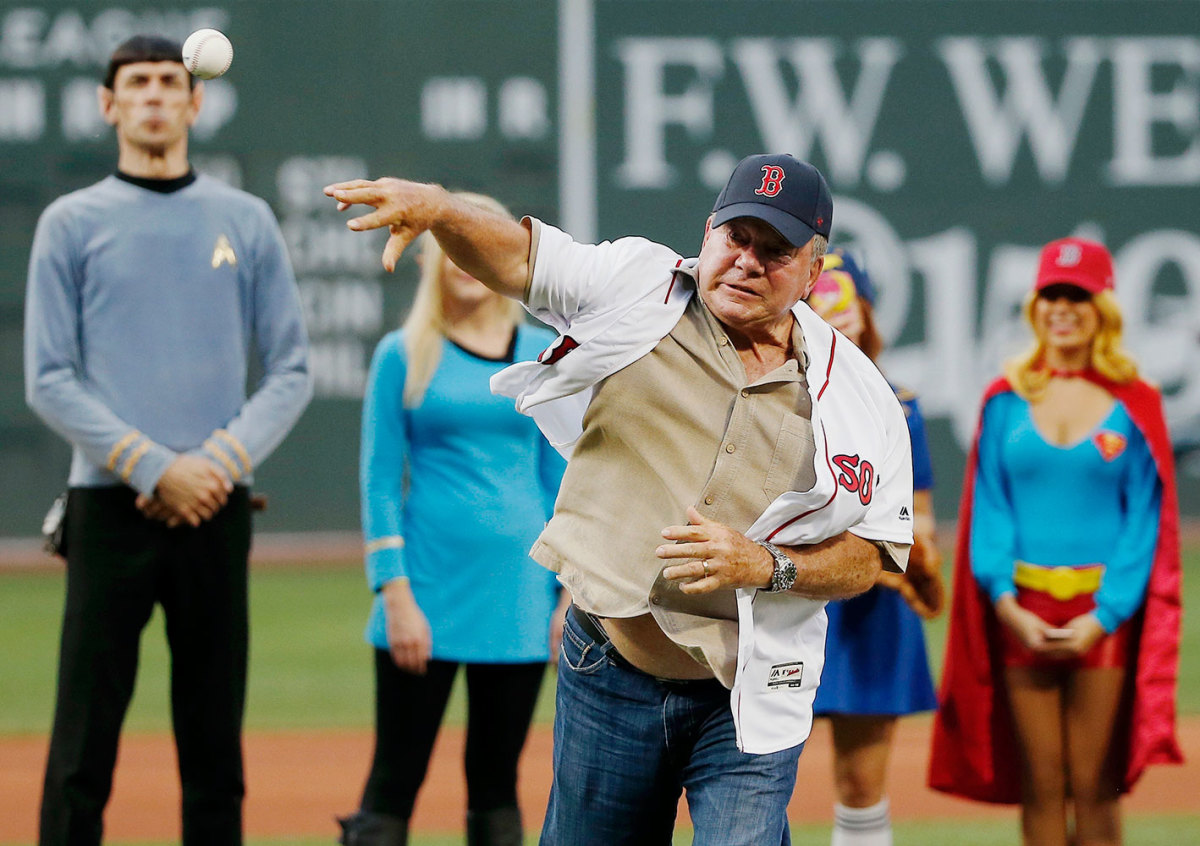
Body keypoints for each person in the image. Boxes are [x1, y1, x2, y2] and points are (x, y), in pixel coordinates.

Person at [325, 153, 915, 846]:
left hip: (747, 693)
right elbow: (520, 260)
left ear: (815, 270)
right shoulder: (639, 286)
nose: (748, 261)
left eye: (776, 249)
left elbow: (871, 555)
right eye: (737, 237)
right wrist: (441, 208)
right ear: (708, 234)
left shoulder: (857, 396)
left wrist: (767, 565)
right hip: (610, 668)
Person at [23, 35, 311, 845]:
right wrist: (154, 467)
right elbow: (47, 376)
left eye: (168, 82)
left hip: (216, 509)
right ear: (110, 106)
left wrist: (215, 465)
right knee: (83, 741)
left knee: (214, 744)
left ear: (195, 101)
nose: (153, 95)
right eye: (136, 83)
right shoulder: (71, 222)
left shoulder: (244, 220)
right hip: (107, 508)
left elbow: (290, 368)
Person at [929, 237, 1183, 845]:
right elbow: (989, 508)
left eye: (1078, 296)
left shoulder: (1137, 403)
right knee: (1042, 785)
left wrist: (1107, 614)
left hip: (1104, 619)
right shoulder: (1004, 399)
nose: (1062, 308)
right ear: (1036, 306)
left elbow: (1143, 522)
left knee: (1095, 784)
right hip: (1024, 614)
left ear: (1104, 310)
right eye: (1052, 295)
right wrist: (1008, 605)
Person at [336, 192, 567, 846]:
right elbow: (379, 477)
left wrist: (568, 592)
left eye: (478, 244)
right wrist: (394, 592)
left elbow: (561, 479)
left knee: (496, 783)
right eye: (450, 245)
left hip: (520, 592)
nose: (465, 261)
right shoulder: (401, 354)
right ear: (432, 259)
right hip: (425, 592)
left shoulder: (540, 350)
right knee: (393, 780)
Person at [806, 250, 944, 846]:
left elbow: (923, 523)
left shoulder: (898, 404)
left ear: (865, 313)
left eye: (848, 304)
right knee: (751, 777)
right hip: (782, 594)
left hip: (870, 607)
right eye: (822, 302)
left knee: (862, 790)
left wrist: (916, 566)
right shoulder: (770, 394)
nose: (838, 317)